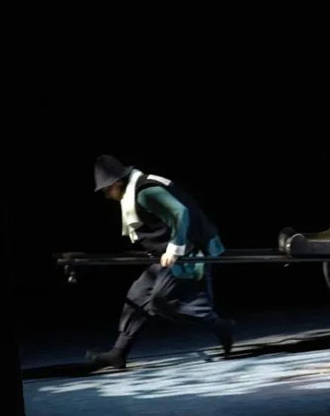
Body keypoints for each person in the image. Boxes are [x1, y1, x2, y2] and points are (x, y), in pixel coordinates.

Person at [87, 155, 234, 369]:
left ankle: (220, 326)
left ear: (117, 183)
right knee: (138, 296)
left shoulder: (144, 192)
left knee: (162, 301)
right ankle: (119, 353)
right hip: (167, 253)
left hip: (191, 247)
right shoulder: (134, 192)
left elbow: (180, 213)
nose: (107, 196)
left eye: (106, 190)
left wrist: (175, 247)